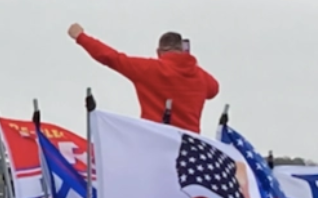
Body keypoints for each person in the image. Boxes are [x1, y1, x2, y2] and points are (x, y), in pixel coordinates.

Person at [66, 23, 220, 133]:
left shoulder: (148, 70)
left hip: (155, 141)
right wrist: (188, 61)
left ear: (159, 52)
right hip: (190, 148)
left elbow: (110, 57)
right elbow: (214, 90)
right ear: (184, 50)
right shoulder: (200, 77)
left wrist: (81, 37)